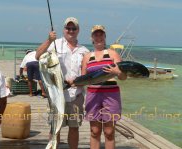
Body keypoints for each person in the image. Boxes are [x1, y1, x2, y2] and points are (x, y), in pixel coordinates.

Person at [36, 17, 89, 149]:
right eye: (68, 28)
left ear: (78, 30)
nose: (70, 31)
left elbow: (85, 75)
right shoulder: (55, 43)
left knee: (74, 127)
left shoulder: (84, 51)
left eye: (74, 28)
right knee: (55, 127)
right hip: (56, 94)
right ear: (64, 29)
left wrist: (76, 82)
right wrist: (49, 40)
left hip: (76, 95)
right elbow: (38, 56)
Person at [80, 25, 127, 149]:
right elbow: (83, 79)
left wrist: (117, 72)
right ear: (92, 37)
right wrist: (71, 82)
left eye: (101, 34)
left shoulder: (112, 54)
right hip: (93, 94)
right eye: (96, 34)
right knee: (94, 131)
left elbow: (123, 77)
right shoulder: (86, 56)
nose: (98, 37)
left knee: (109, 132)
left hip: (111, 95)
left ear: (105, 36)